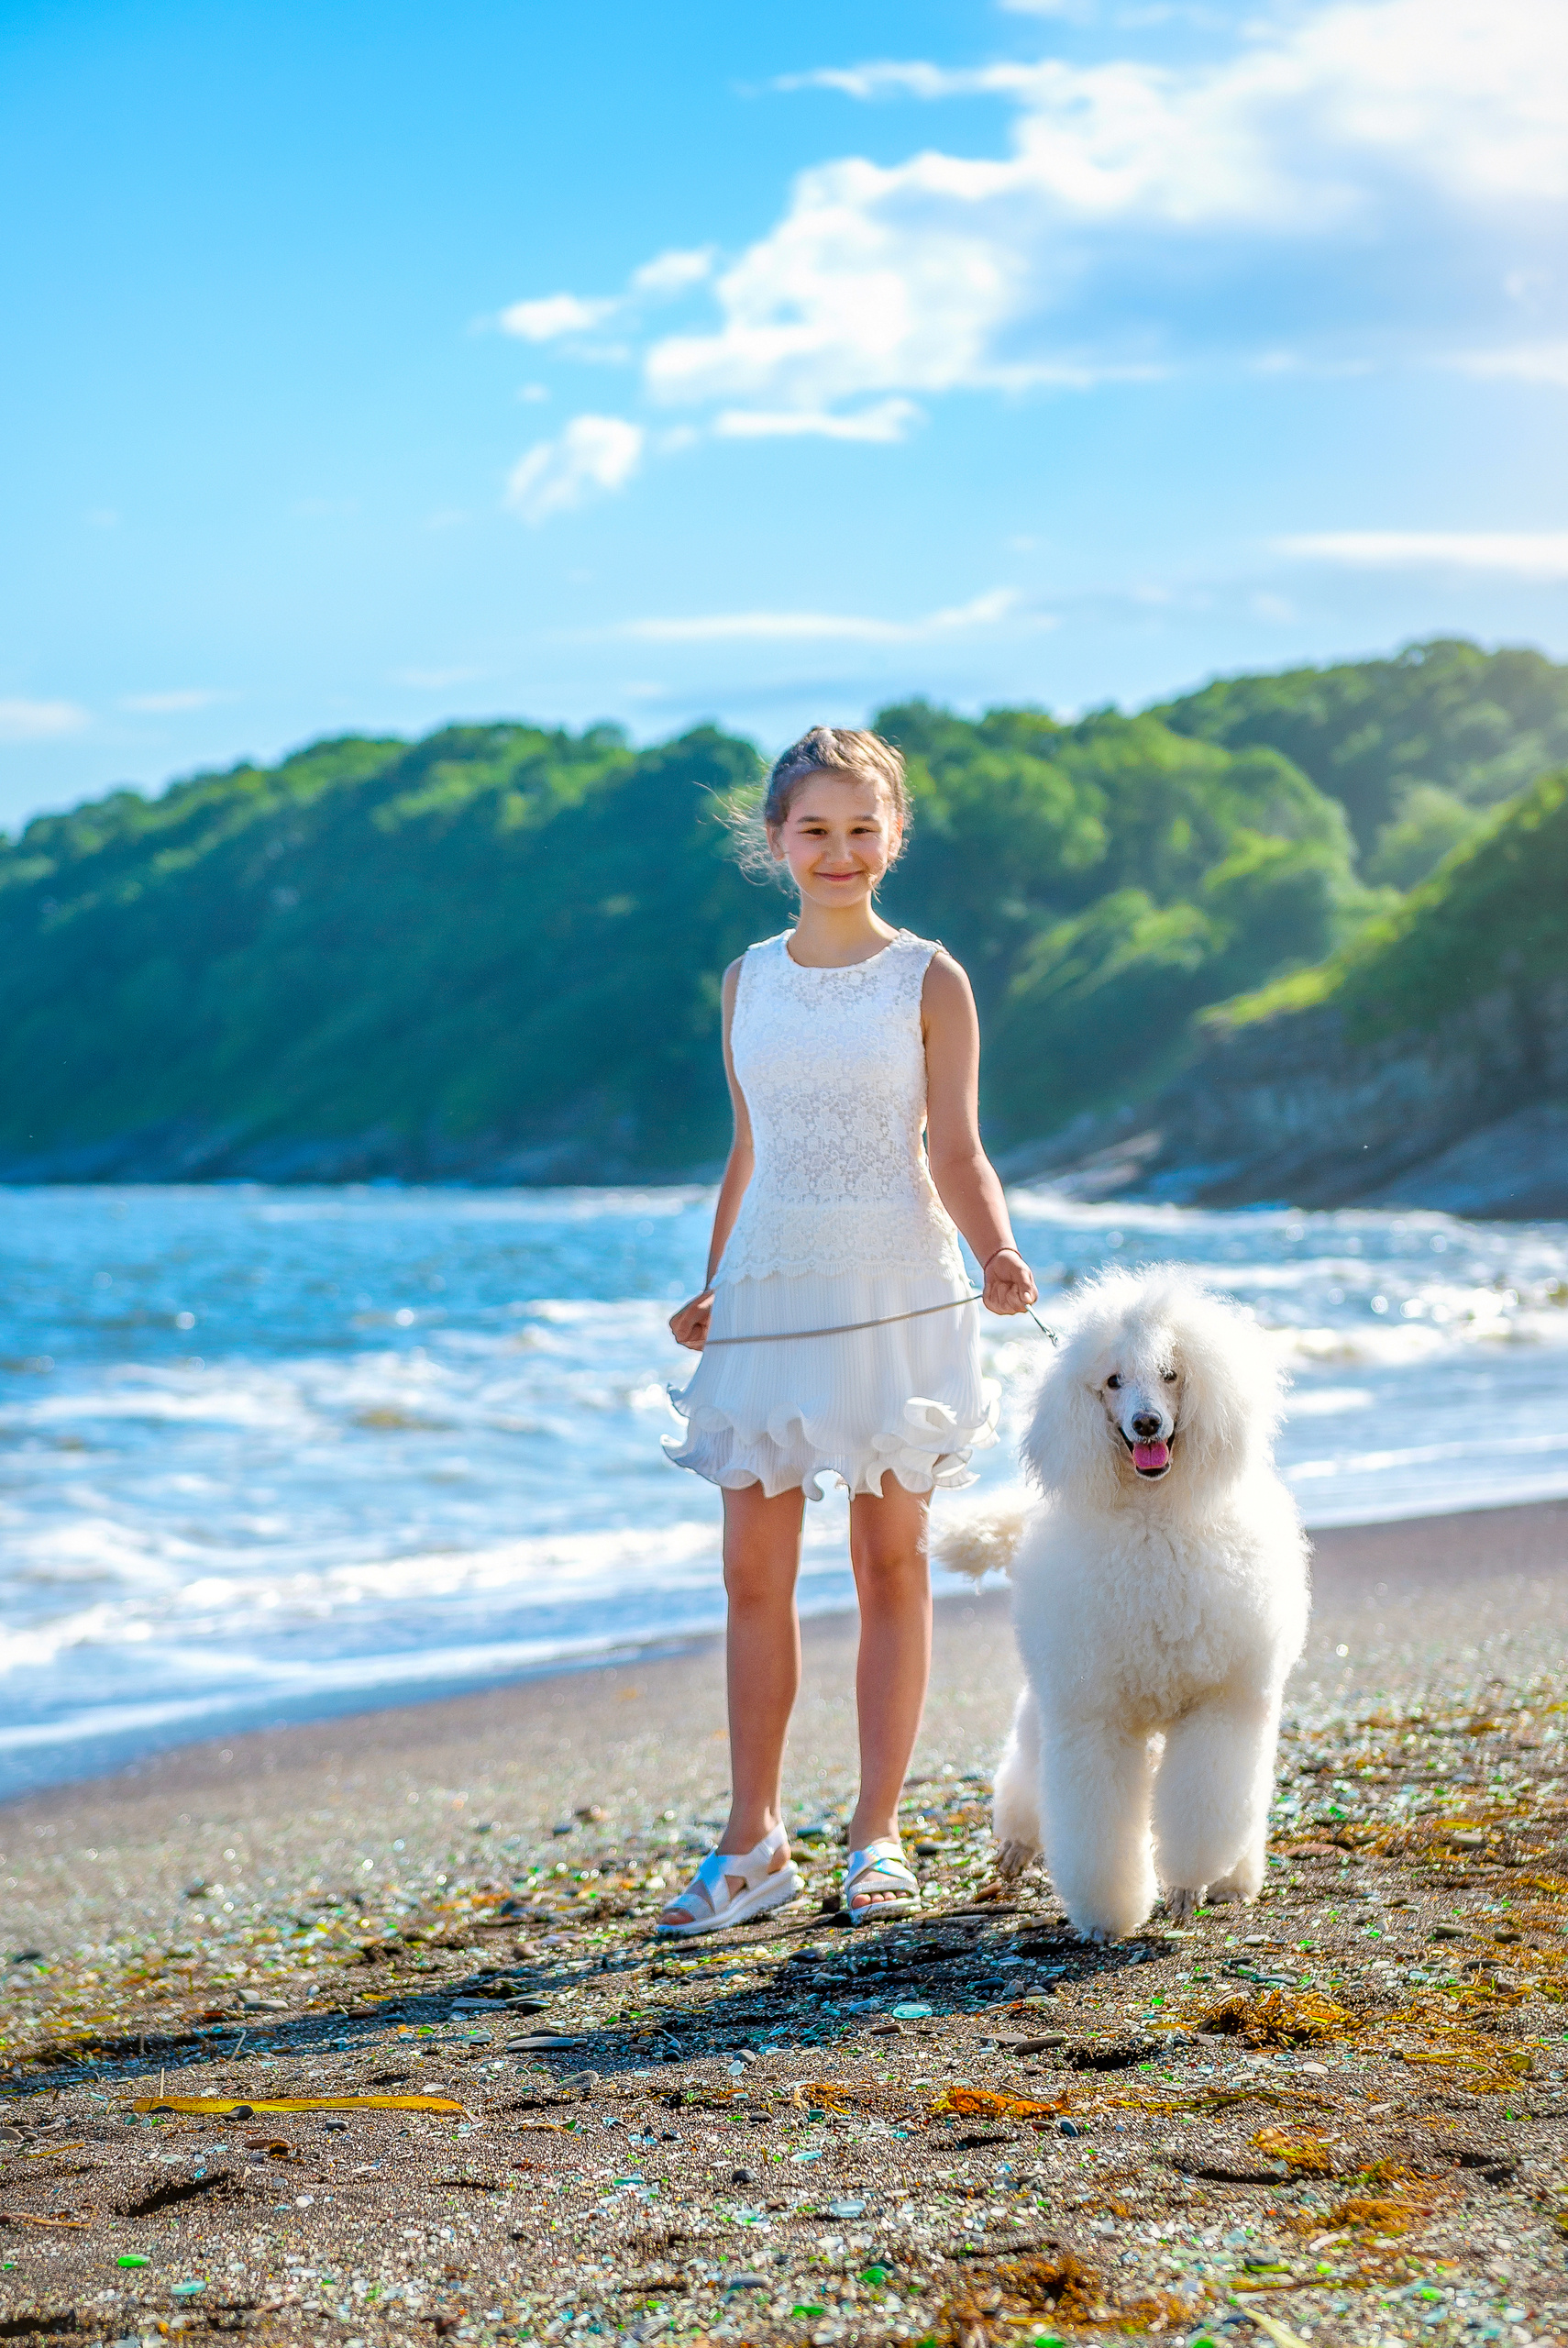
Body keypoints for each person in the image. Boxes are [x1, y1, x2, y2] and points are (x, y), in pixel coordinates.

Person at [658, 725, 1039, 1933]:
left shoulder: (928, 976)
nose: (839, 850)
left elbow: (956, 1146)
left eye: (860, 828)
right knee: (748, 1574)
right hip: (768, 1291)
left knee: (889, 1565)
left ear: (893, 836)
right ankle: (752, 1844)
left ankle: (876, 1838)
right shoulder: (746, 979)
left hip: (894, 1283)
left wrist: (997, 1252)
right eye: (814, 829)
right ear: (775, 841)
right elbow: (748, 1149)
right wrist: (712, 1279)